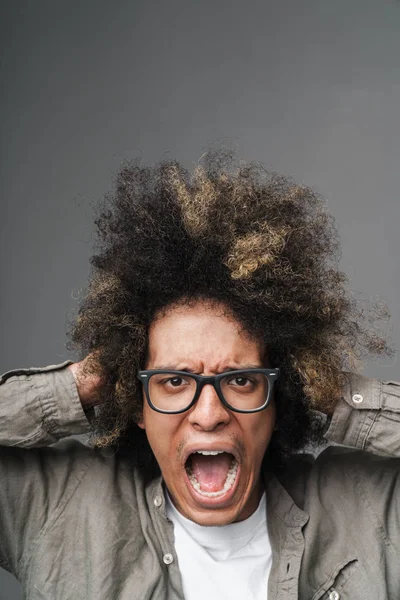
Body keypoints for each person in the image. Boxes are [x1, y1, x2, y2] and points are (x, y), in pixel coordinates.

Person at [1, 150, 399, 600]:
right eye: (174, 381)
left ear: (278, 397)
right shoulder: (54, 502)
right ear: (135, 403)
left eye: (240, 380)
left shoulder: (370, 507)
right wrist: (73, 388)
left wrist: (336, 397)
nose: (208, 415)